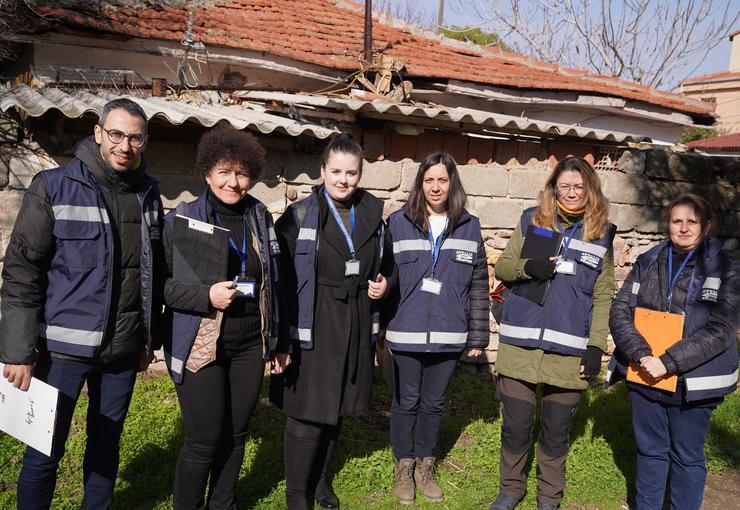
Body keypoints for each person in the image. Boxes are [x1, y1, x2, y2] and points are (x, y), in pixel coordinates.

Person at [0, 98, 163, 510]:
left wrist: (147, 339)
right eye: (116, 134)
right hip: (60, 353)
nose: (125, 145)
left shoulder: (148, 194)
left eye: (135, 138)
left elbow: (152, 273)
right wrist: (18, 351)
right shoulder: (53, 187)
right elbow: (23, 271)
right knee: (44, 453)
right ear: (98, 133)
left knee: (106, 448)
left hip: (121, 351)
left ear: (144, 141)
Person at [161, 128, 286, 509]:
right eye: (224, 172)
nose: (233, 182)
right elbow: (161, 287)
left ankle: (222, 504)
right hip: (201, 343)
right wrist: (206, 296)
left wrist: (277, 340)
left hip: (249, 343)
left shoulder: (259, 216)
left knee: (236, 434)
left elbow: (275, 282)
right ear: (206, 172)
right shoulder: (183, 219)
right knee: (204, 439)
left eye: (242, 173)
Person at [269, 134, 393, 510]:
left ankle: (320, 480)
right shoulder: (299, 215)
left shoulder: (372, 215)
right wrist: (281, 337)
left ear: (360, 174)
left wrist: (384, 283)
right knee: (308, 408)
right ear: (322, 171)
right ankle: (296, 493)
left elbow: (386, 264)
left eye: (351, 173)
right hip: (314, 317)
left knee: (336, 405)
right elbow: (278, 277)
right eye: (336, 171)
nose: (343, 180)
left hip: (354, 319)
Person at [489, 156, 616, 510]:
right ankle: (511, 490)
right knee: (516, 426)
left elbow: (603, 294)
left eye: (579, 186)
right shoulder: (534, 220)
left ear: (590, 190)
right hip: (520, 345)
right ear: (554, 189)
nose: (572, 193)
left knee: (556, 432)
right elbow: (504, 267)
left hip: (569, 353)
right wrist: (530, 267)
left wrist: (596, 346)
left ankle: (548, 498)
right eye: (565, 186)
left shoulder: (601, 233)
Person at [608, 194, 738, 510]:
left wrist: (668, 362)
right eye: (676, 221)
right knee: (650, 452)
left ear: (707, 226)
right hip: (645, 372)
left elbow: (720, 329)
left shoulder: (727, 270)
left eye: (692, 221)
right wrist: (642, 354)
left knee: (686, 456)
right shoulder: (648, 260)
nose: (683, 228)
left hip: (692, 381)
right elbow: (620, 309)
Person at [383, 151, 489, 505]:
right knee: (405, 402)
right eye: (429, 180)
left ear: (452, 183)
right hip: (406, 333)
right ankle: (403, 468)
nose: (435, 187)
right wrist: (377, 326)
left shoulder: (470, 226)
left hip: (449, 334)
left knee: (433, 403)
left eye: (442, 180)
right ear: (420, 183)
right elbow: (385, 278)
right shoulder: (398, 222)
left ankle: (425, 467)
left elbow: (478, 284)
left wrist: (478, 335)